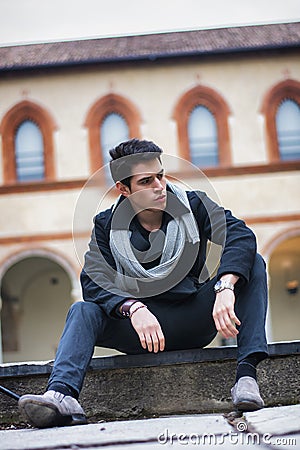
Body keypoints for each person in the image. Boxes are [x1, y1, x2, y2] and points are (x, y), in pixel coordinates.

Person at [18, 139, 268, 428]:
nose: (159, 186)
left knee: (254, 262)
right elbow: (93, 279)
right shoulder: (105, 225)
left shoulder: (194, 204)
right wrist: (132, 308)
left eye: (160, 175)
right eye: (146, 181)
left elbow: (240, 235)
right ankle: (61, 395)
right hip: (141, 332)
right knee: (82, 310)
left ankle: (246, 378)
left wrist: (225, 286)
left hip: (193, 319)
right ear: (124, 189)